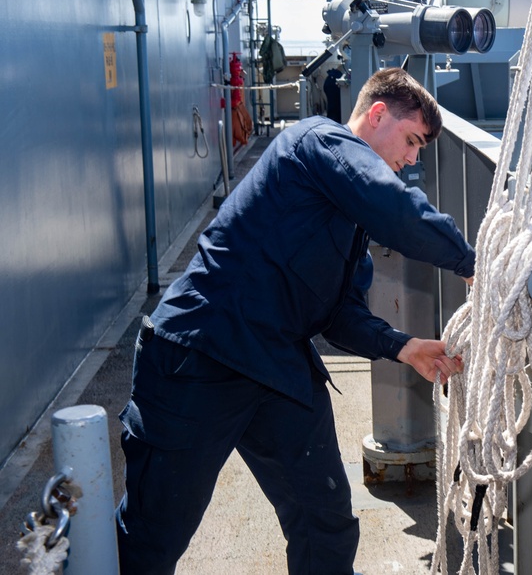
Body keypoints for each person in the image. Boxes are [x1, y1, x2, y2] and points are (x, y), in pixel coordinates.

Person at [115, 67, 475, 574]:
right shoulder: (316, 142)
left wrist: (403, 346)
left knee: (324, 521)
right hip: (202, 352)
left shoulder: (350, 222)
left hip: (276, 365)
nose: (413, 160)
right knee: (154, 534)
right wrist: (472, 262)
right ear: (376, 115)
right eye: (412, 140)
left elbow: (339, 316)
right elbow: (396, 210)